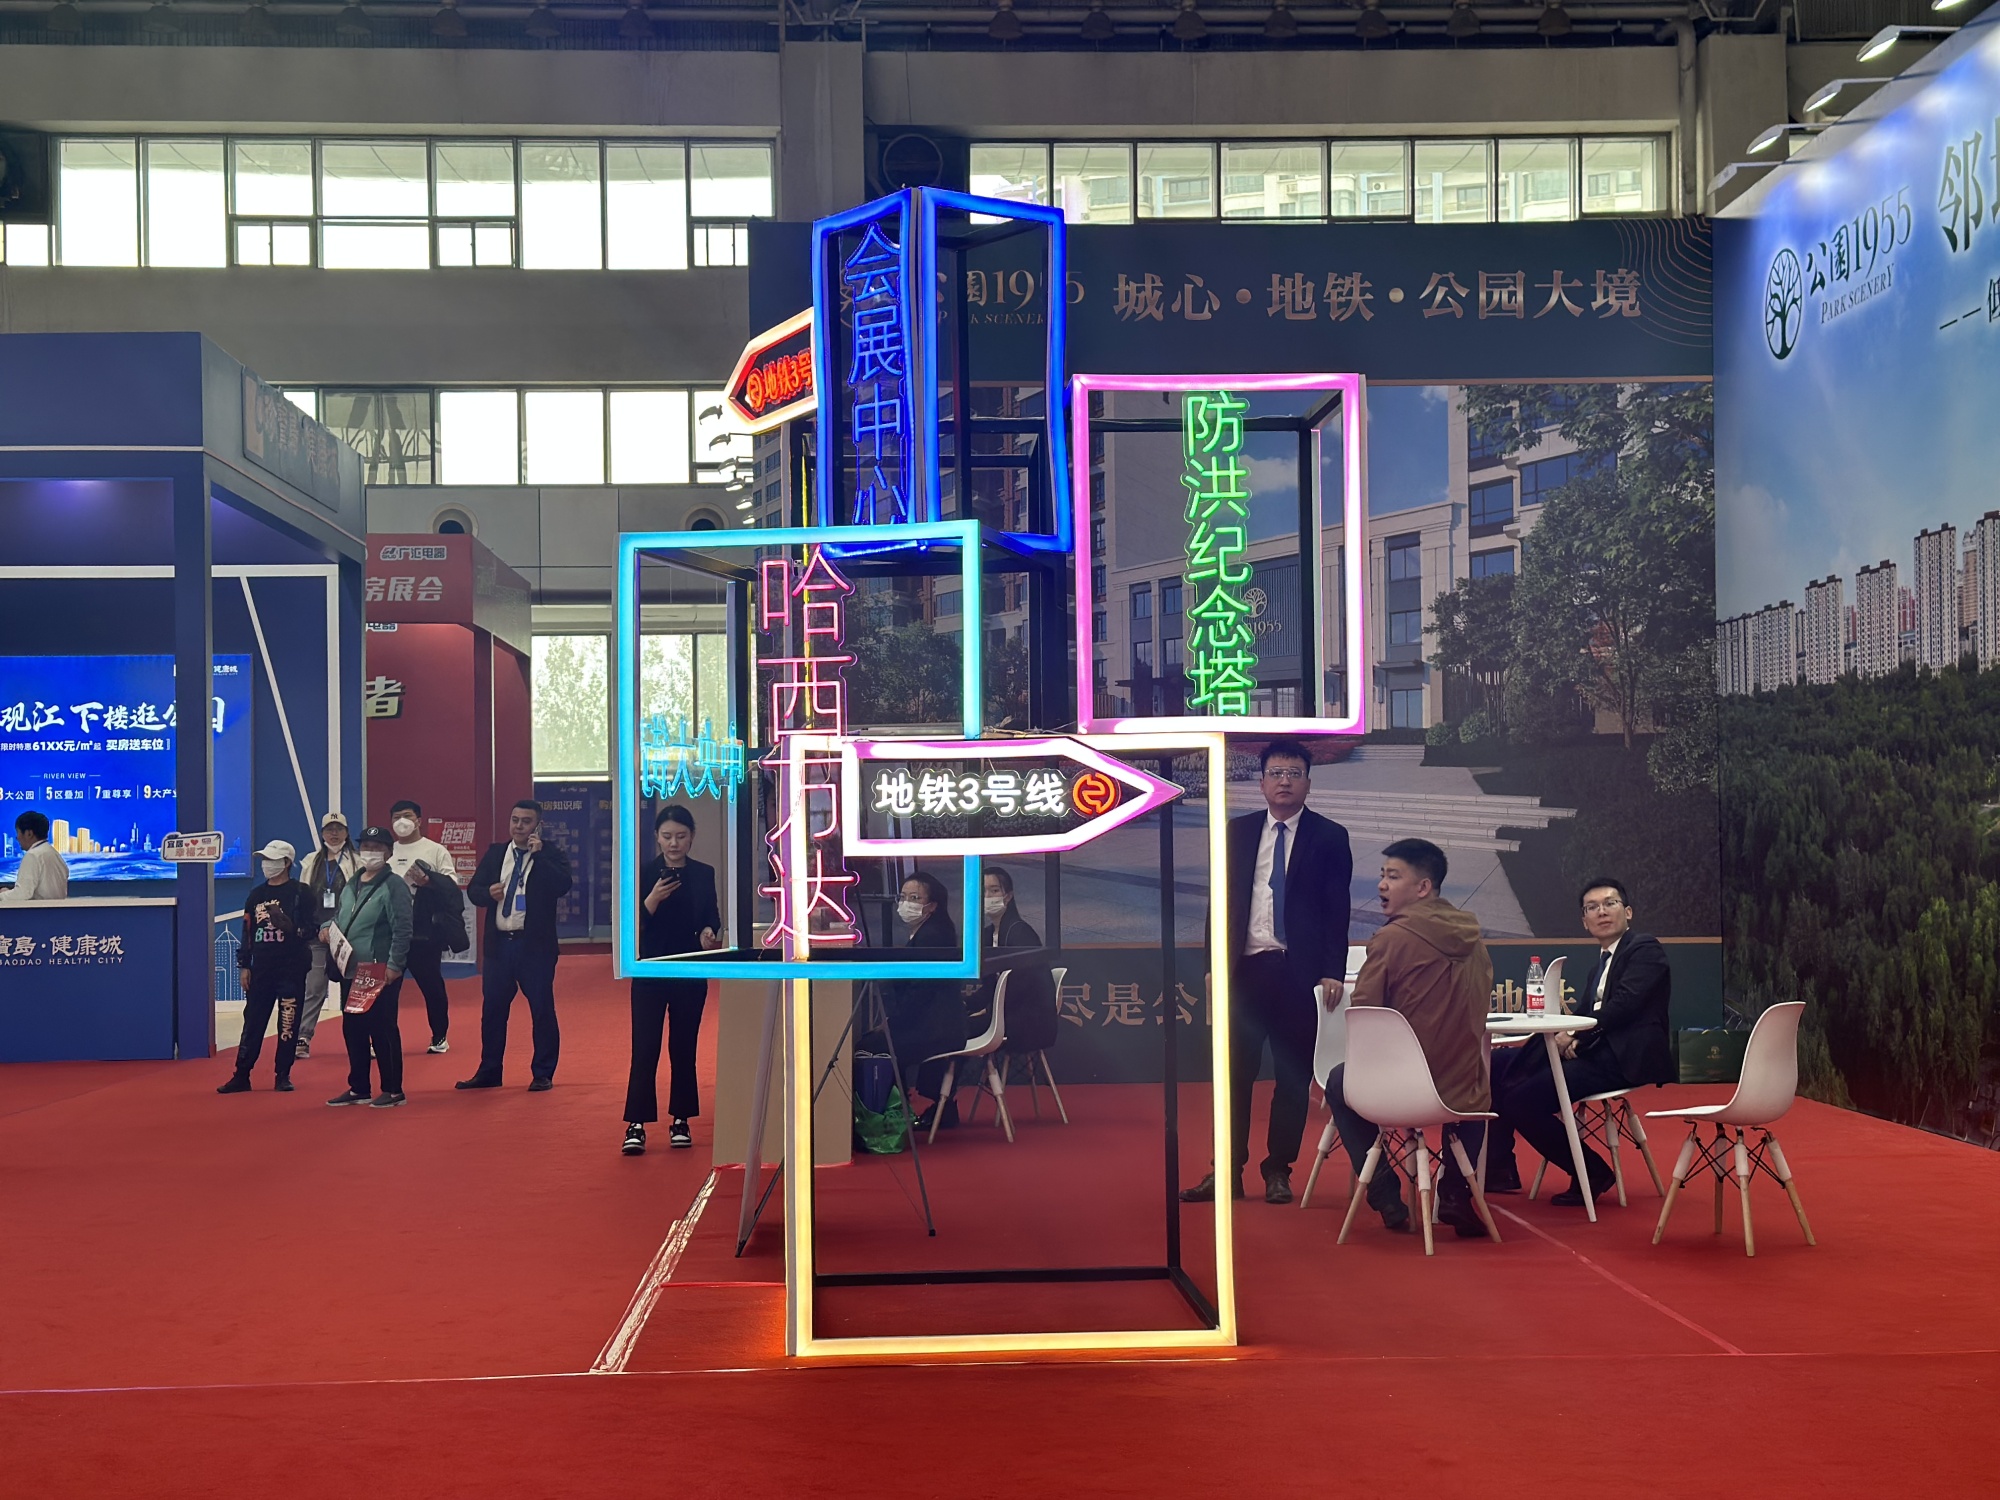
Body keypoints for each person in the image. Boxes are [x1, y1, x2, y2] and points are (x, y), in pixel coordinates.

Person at [1184, 738, 1353, 1206]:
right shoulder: (1237, 833)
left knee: (1292, 1080)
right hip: (1244, 973)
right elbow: (1219, 905)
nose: (1284, 781)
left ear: (1308, 783)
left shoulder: (1329, 836)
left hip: (1298, 975)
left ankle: (1279, 1170)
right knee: (1233, 1077)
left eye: (1294, 773)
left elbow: (1337, 909)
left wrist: (1332, 970)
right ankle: (1226, 1171)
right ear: (1261, 783)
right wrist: (1213, 967)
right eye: (1276, 773)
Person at [1327, 838, 1494, 1237]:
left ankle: (1384, 1193)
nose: (1381, 885)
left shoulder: (1391, 939)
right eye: (1383, 875)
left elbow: (1365, 1016)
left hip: (1399, 1086)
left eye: (1393, 876)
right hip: (1458, 1088)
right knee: (1480, 1085)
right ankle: (1454, 1193)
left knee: (1337, 1080)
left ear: (1423, 887)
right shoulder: (1473, 938)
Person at [1488, 877, 1674, 1205]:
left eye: (1610, 904)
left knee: (1521, 1101)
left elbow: (1626, 1005)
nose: (1601, 912)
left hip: (1622, 1058)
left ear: (1628, 912)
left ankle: (1592, 1172)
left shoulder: (1644, 949)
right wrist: (1573, 1038)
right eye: (1592, 907)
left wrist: (1575, 1036)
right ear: (1585, 921)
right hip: (1594, 1051)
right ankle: (1499, 1167)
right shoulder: (1599, 966)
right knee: (1495, 1066)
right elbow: (1590, 1014)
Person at [623, 805, 722, 1156]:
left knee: (684, 1048)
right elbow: (629, 927)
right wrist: (651, 900)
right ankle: (636, 1124)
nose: (674, 843)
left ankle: (681, 1119)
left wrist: (709, 932)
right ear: (656, 837)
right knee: (644, 1048)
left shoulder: (703, 873)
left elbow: (712, 916)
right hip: (649, 971)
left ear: (692, 837)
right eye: (667, 836)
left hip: (689, 971)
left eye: (681, 836)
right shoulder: (642, 873)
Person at [457, 799, 572, 1092]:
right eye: (515, 820)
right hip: (499, 946)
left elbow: (562, 886)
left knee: (541, 1010)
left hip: (534, 948)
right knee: (493, 1011)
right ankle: (490, 1071)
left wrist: (539, 856)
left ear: (538, 826)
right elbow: (474, 891)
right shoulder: (497, 853)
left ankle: (543, 1072)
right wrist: (488, 893)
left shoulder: (550, 854)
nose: (519, 826)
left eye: (526, 821)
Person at [217, 840, 318, 1095]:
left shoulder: (301, 893)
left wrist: (293, 928)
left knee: (288, 1023)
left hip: (291, 968)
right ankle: (241, 1074)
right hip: (261, 968)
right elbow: (247, 931)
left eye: (272, 860)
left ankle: (283, 1074)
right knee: (253, 1022)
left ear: (286, 863)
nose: (266, 864)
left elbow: (312, 928)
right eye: (264, 859)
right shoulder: (256, 895)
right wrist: (244, 965)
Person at [323, 825, 413, 1109]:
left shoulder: (394, 885)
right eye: (366, 847)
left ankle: (393, 1089)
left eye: (377, 848)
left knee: (383, 1029)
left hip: (378, 969)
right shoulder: (353, 882)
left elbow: (403, 928)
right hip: (351, 968)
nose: (370, 852)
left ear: (388, 852)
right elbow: (340, 915)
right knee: (353, 1029)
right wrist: (326, 927)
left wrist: (395, 965)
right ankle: (359, 1087)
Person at [875, 870, 966, 1131]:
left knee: (875, 1047)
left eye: (915, 898)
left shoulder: (932, 937)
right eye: (903, 897)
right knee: (879, 1042)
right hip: (931, 1023)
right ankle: (900, 1110)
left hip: (936, 1029)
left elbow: (921, 992)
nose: (906, 904)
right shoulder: (927, 933)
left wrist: (892, 1022)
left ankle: (892, 1117)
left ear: (932, 905)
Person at [385, 799, 460, 1055]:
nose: (402, 822)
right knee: (386, 987)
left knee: (431, 985)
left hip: (424, 930)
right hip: (390, 930)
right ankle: (382, 1038)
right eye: (396, 817)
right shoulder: (386, 851)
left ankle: (439, 1035)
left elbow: (451, 885)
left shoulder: (435, 850)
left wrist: (429, 881)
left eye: (407, 816)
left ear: (418, 820)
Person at [980, 867, 1056, 1076]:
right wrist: (967, 1005)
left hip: (1028, 1021)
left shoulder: (1021, 933)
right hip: (1004, 1016)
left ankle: (940, 1094)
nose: (987, 897)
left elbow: (1023, 986)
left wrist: (990, 1011)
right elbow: (989, 986)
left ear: (1008, 896)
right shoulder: (986, 935)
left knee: (958, 1032)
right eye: (983, 891)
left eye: (994, 890)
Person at [295, 812, 358, 1059]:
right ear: (322, 833)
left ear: (346, 833)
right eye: (329, 829)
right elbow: (303, 897)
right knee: (314, 988)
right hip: (317, 936)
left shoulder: (358, 862)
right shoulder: (310, 861)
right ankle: (303, 1036)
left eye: (339, 829)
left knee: (352, 990)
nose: (334, 834)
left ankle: (362, 1039)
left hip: (348, 936)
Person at [3, 810, 69, 902]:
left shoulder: (32, 856)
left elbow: (22, 894)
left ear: (29, 833)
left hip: (39, 911)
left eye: (18, 832)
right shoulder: (55, 855)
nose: (17, 838)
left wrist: (2, 895)